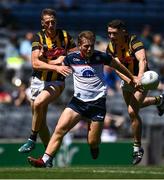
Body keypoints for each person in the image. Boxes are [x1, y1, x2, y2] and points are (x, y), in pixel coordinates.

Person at [27, 30, 136, 168]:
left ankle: (94, 146)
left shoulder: (102, 57)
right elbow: (54, 66)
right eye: (86, 46)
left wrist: (132, 78)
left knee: (92, 141)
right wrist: (44, 59)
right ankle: (45, 160)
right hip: (77, 102)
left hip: (97, 103)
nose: (89, 49)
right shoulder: (71, 58)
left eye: (91, 45)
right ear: (79, 45)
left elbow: (119, 67)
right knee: (59, 129)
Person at [106, 19, 164, 165]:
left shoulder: (134, 42)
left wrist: (139, 77)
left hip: (142, 79)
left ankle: (137, 148)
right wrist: (130, 79)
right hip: (127, 79)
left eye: (114, 33)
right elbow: (116, 67)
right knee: (135, 107)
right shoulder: (110, 47)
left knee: (132, 111)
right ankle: (158, 100)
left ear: (123, 31)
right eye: (109, 33)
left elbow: (143, 60)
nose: (111, 36)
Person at [18, 8, 76, 153]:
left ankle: (31, 139)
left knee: (38, 103)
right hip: (38, 81)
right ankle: (48, 155)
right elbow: (35, 63)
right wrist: (56, 64)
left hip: (56, 82)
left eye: (53, 22)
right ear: (43, 23)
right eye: (48, 22)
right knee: (41, 121)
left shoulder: (65, 36)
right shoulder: (38, 38)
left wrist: (66, 57)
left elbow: (75, 54)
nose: (51, 25)